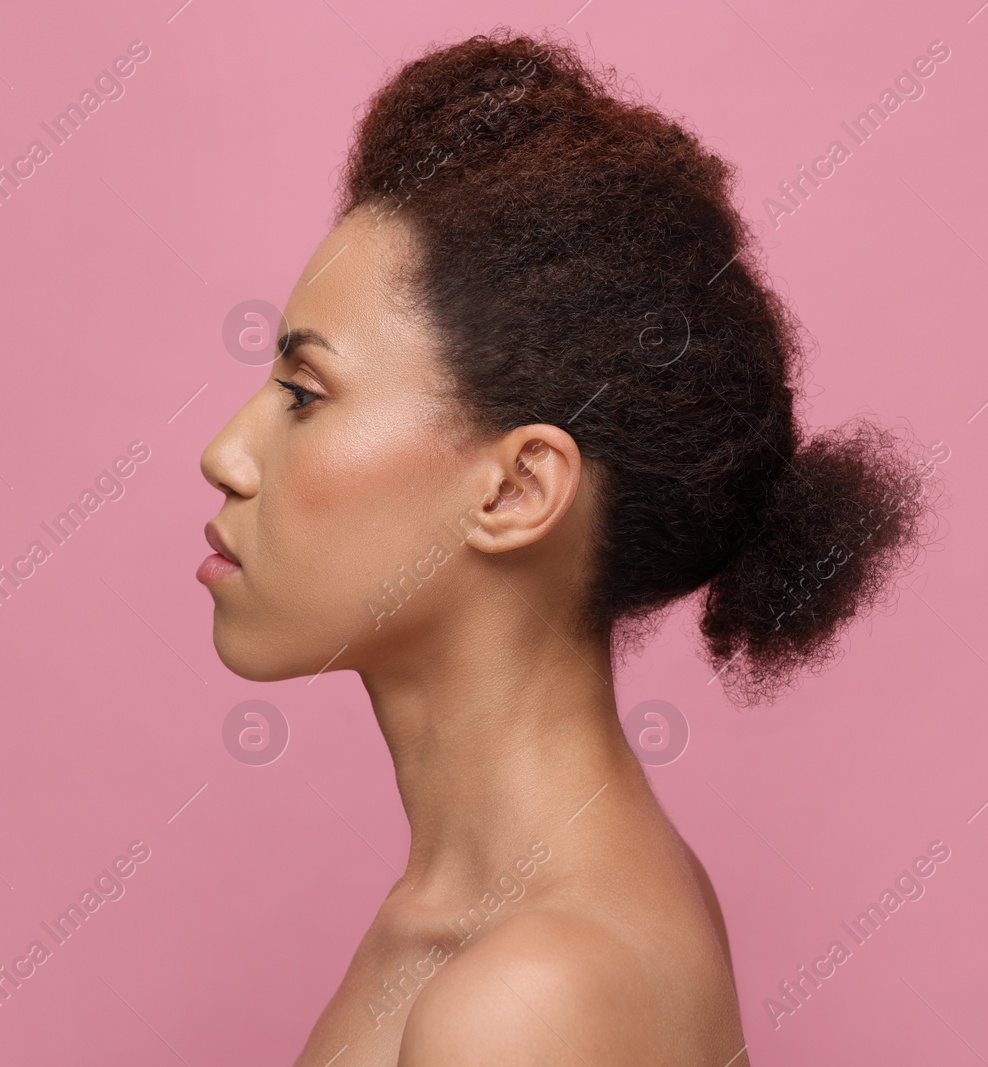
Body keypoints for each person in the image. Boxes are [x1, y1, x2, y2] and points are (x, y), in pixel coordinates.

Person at [197, 29, 934, 1066]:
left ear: (515, 486)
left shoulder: (532, 999)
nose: (224, 452)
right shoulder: (483, 922)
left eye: (304, 395)